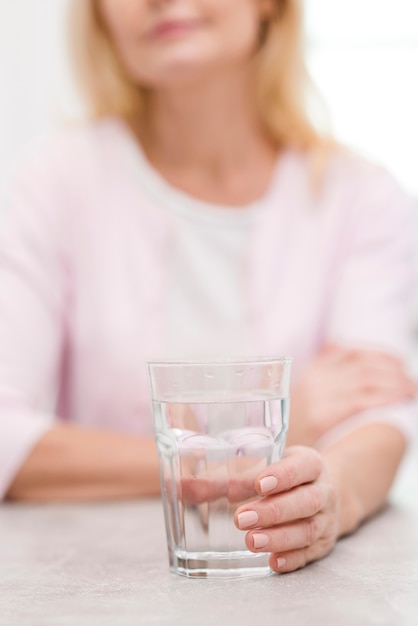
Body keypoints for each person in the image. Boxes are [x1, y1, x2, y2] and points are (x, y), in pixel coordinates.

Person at [0, 0, 416, 574]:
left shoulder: (362, 197)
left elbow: (378, 416)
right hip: (99, 577)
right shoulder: (57, 180)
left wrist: (330, 496)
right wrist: (260, 440)